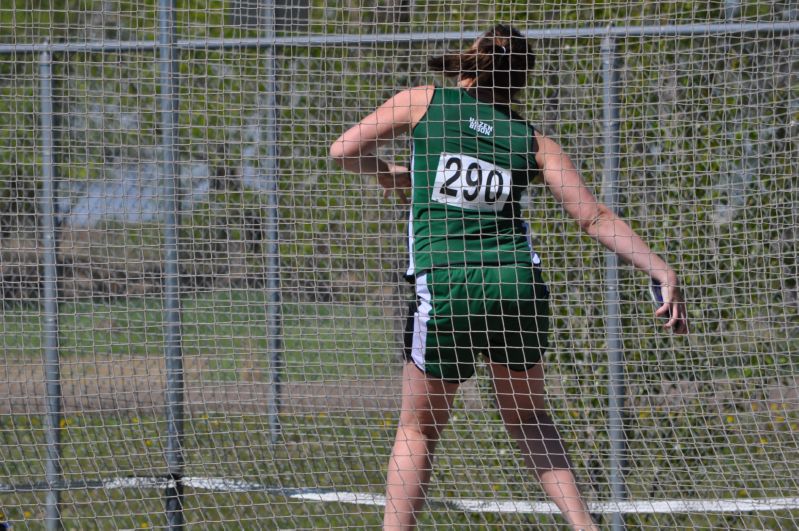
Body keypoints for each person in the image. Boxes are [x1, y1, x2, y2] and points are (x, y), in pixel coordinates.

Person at [330, 24, 688, 531]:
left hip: (449, 284)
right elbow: (593, 218)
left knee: (419, 428)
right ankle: (586, 527)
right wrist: (661, 268)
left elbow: (343, 151)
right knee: (529, 417)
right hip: (516, 286)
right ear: (520, 83)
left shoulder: (422, 101)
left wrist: (390, 175)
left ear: (471, 64)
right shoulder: (533, 141)